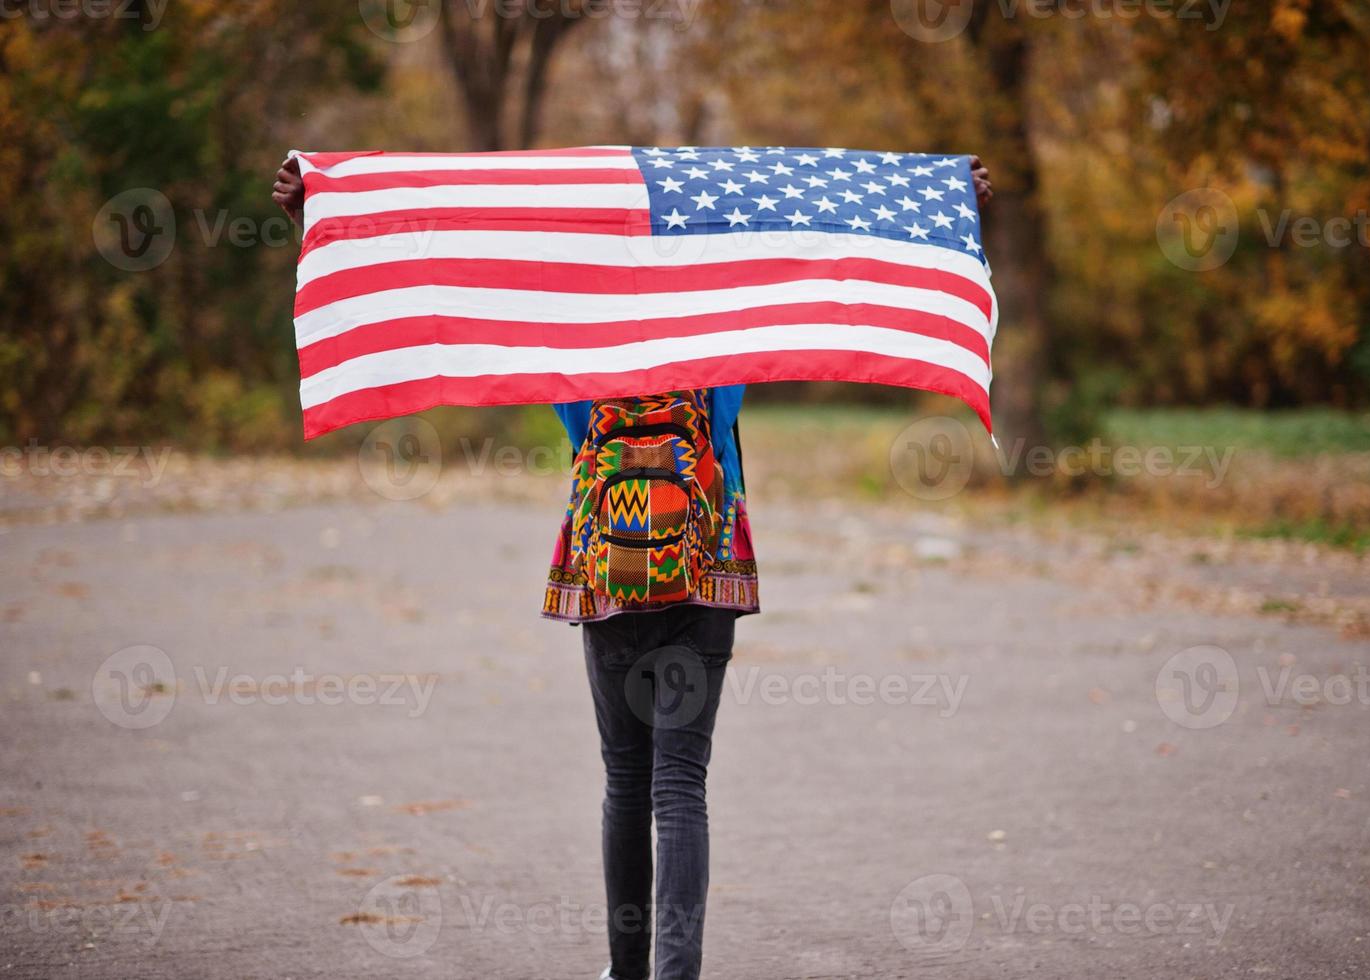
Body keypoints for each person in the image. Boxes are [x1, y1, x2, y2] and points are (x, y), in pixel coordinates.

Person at [273, 149, 993, 980]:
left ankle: (624, 971)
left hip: (604, 565)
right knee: (679, 783)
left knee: (625, 776)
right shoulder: (728, 309)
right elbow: (829, 262)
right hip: (707, 557)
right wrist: (953, 208)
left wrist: (320, 219)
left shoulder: (565, 320)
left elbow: (443, 277)